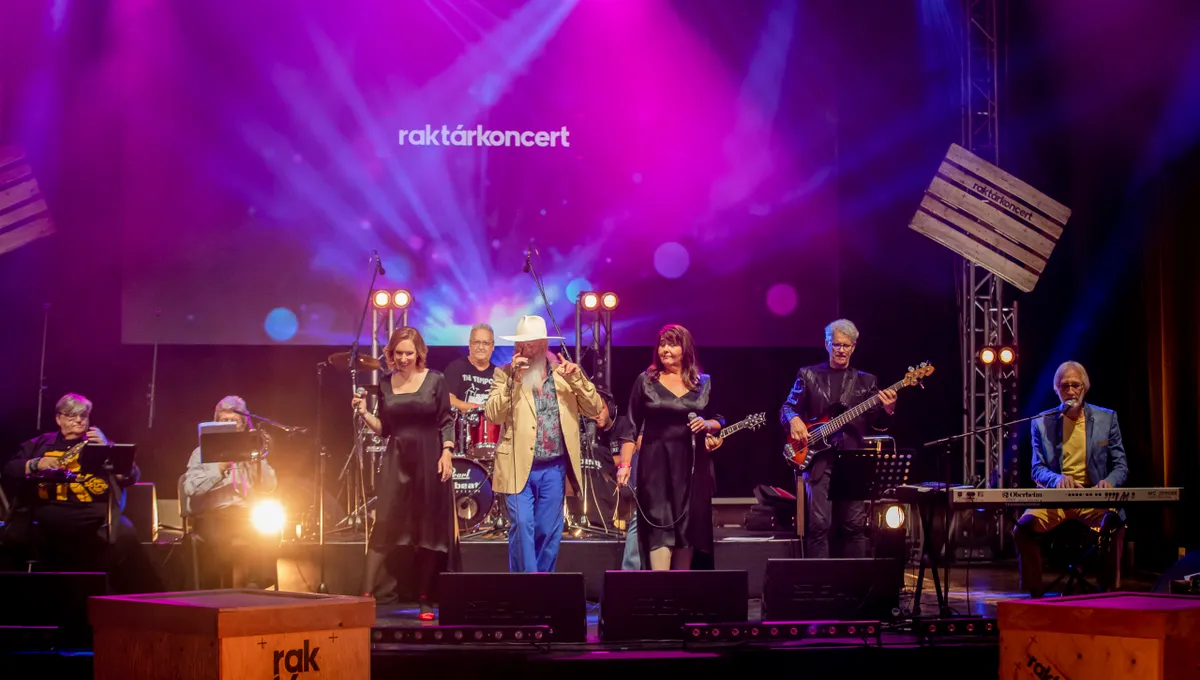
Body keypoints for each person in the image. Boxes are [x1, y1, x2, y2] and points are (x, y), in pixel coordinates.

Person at [1, 393, 161, 593]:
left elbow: (131, 476)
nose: (78, 420)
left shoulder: (101, 442)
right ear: (58, 419)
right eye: (71, 416)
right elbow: (9, 470)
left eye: (83, 416)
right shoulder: (40, 444)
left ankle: (120, 595)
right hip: (47, 512)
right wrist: (35, 464)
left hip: (93, 515)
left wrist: (107, 448)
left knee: (126, 535)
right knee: (12, 537)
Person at [485, 315, 605, 573]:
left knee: (548, 530)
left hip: (553, 466)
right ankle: (529, 587)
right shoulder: (503, 374)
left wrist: (577, 379)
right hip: (517, 464)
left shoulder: (564, 374)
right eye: (523, 344)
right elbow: (493, 415)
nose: (528, 349)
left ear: (544, 344)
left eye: (534, 343)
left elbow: (595, 409)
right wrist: (513, 381)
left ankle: (543, 584)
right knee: (522, 525)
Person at [353, 326, 457, 620]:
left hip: (429, 458)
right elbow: (385, 429)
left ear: (419, 353)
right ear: (391, 353)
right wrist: (364, 413)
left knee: (427, 531)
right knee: (384, 524)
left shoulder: (435, 379)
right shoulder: (386, 383)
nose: (403, 358)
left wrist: (447, 452)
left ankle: (425, 598)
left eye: (408, 353)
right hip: (396, 460)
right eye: (398, 353)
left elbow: (446, 420)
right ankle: (363, 597)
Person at [780, 319, 897, 559]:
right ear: (827, 344)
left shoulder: (866, 381)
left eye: (846, 345)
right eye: (836, 344)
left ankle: (854, 580)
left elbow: (877, 423)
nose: (841, 350)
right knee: (819, 526)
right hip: (818, 460)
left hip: (853, 460)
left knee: (854, 526)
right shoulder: (808, 375)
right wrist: (794, 419)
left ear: (854, 347)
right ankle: (819, 579)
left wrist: (888, 410)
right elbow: (787, 408)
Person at [1013, 361, 1127, 596]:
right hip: (1054, 500)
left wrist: (1109, 482)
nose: (1071, 391)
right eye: (1065, 386)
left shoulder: (1107, 418)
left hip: (1092, 498)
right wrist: (1057, 480)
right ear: (1056, 389)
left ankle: (1107, 592)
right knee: (1022, 529)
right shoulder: (1041, 422)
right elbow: (1037, 469)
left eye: (1076, 385)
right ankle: (1035, 595)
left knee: (1114, 524)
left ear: (1085, 387)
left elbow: (1120, 466)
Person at [616, 324, 724, 571]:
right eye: (662, 344)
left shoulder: (703, 383)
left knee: (687, 527)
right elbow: (630, 427)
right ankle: (660, 586)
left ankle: (679, 589)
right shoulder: (646, 381)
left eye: (672, 344)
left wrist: (707, 424)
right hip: (655, 467)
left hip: (691, 468)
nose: (665, 349)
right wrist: (625, 465)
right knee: (659, 525)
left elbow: (720, 418)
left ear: (685, 349)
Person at [181, 396, 278, 589]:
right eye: (224, 421)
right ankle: (228, 588)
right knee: (227, 538)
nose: (229, 426)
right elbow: (190, 488)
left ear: (243, 426)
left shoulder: (252, 454)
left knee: (269, 531)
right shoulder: (200, 453)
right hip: (212, 515)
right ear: (215, 424)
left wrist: (256, 461)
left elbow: (270, 486)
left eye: (234, 422)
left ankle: (257, 584)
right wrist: (219, 468)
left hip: (245, 515)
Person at [619, 429, 724, 570]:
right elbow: (638, 439)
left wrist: (698, 444)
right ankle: (630, 575)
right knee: (647, 523)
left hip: (684, 479)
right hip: (658, 477)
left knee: (685, 530)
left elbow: (715, 423)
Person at [444, 323, 497, 413]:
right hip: (461, 421)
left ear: (492, 347)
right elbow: (449, 399)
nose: (481, 347)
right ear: (469, 345)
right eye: (476, 342)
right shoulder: (455, 368)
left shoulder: (498, 374)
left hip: (490, 422)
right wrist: (477, 407)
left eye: (486, 343)